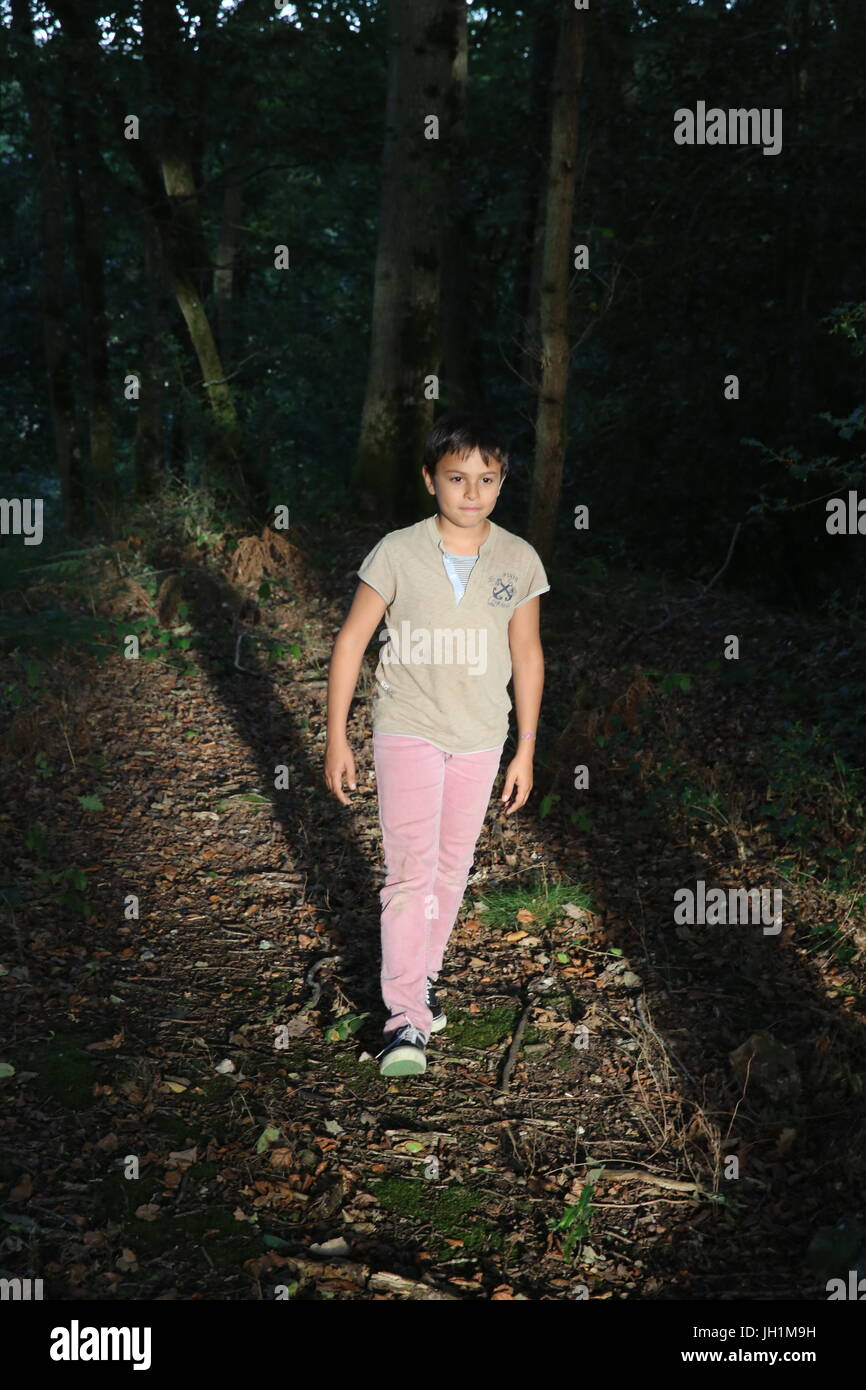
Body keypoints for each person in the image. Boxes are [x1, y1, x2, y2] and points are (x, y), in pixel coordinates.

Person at [324, 411, 550, 1078]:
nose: (471, 492)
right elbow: (349, 642)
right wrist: (337, 737)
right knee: (408, 872)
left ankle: (419, 987)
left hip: (481, 736)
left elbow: (529, 655)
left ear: (502, 482)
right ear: (431, 480)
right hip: (407, 727)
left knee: (450, 870)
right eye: (457, 478)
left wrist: (526, 747)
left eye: (486, 478)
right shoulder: (397, 551)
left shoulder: (518, 559)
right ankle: (403, 1021)